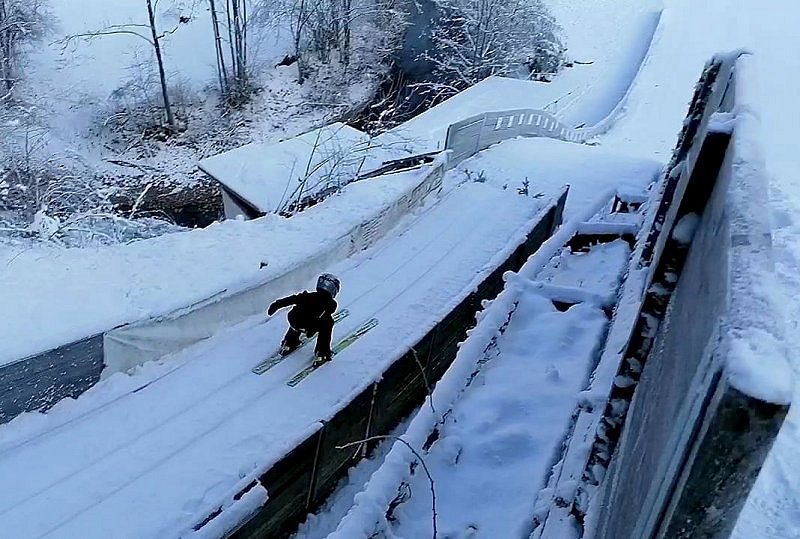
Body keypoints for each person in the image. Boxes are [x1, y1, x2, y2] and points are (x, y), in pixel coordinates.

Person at [268, 273, 341, 364]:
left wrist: (275, 305)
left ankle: (288, 343)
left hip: (294, 320)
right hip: (310, 324)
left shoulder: (306, 296)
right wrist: (311, 330)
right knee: (328, 323)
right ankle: (322, 354)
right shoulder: (332, 304)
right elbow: (326, 314)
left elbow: (290, 300)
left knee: (299, 314)